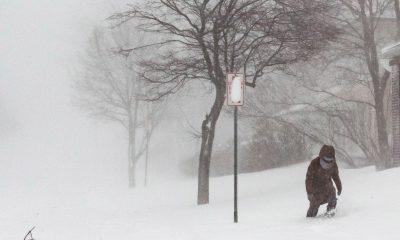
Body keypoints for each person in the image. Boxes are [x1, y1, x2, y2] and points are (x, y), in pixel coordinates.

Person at [305, 145, 342, 217]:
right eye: (326, 160)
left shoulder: (333, 164)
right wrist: (309, 192)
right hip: (315, 188)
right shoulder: (314, 163)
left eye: (330, 160)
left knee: (332, 196)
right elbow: (308, 178)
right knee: (314, 204)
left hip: (327, 186)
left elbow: (335, 176)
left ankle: (331, 211)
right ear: (321, 157)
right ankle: (309, 219)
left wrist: (339, 187)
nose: (328, 162)